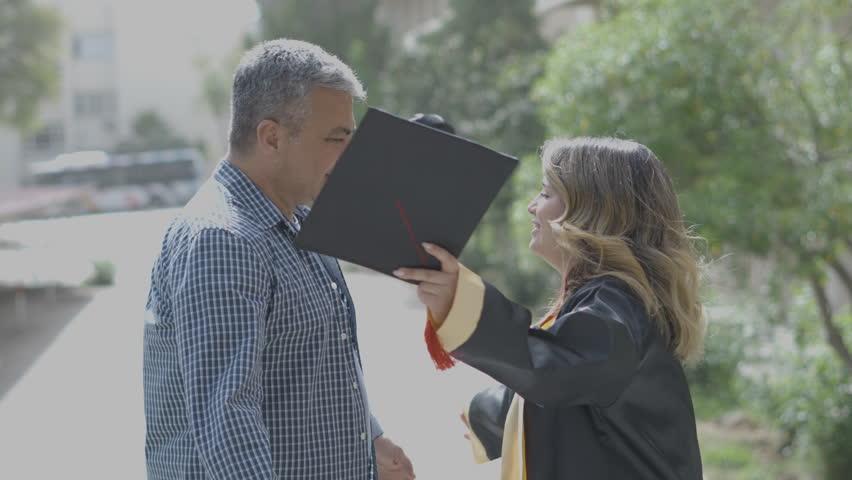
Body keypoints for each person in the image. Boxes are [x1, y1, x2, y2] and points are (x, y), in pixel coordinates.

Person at [143, 39, 414, 480]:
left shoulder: (302, 219)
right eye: (335, 139)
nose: (350, 157)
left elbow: (313, 367)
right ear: (271, 137)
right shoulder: (222, 240)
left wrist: (371, 439)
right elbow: (227, 421)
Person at [393, 137, 706, 479]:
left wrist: (463, 303)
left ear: (592, 210)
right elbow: (578, 389)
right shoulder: (615, 299)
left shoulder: (618, 302)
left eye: (545, 193)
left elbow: (558, 371)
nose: (532, 207)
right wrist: (485, 413)